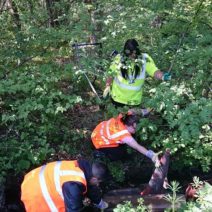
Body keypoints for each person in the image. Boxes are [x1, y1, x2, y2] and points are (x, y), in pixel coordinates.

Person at [103, 39, 171, 111]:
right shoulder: (119, 58)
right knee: (117, 121)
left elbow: (154, 71)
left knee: (130, 121)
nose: (132, 57)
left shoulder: (144, 59)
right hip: (117, 99)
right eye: (130, 54)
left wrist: (162, 76)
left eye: (134, 54)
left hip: (134, 101)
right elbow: (110, 74)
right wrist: (107, 86)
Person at [21, 159, 109, 212]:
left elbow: (90, 188)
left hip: (31, 180)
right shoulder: (74, 185)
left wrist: (100, 204)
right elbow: (73, 209)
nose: (98, 185)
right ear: (94, 179)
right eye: (98, 182)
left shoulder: (82, 167)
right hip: (36, 196)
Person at [91, 112, 160, 165]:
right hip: (98, 142)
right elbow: (137, 146)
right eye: (134, 128)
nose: (135, 130)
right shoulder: (123, 135)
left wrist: (145, 111)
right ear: (127, 125)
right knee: (119, 153)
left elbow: (133, 111)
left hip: (98, 131)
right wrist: (151, 155)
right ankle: (100, 154)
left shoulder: (124, 115)